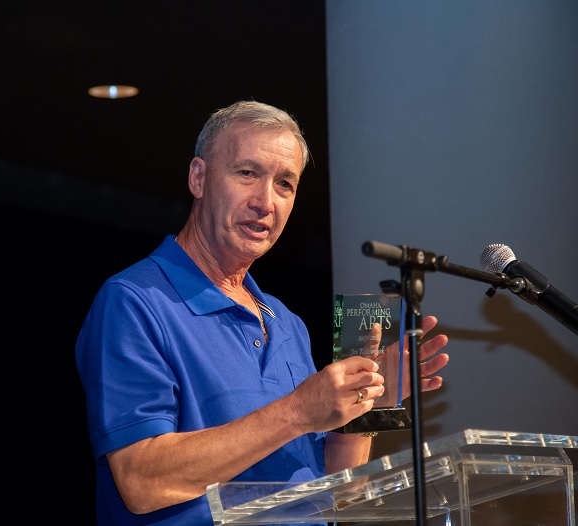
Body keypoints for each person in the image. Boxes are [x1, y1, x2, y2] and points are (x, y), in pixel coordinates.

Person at [75, 100, 450, 525]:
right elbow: (142, 483)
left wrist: (367, 406)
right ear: (198, 178)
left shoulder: (286, 323)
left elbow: (338, 494)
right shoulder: (134, 300)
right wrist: (296, 412)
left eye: (285, 184)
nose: (265, 202)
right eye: (247, 173)